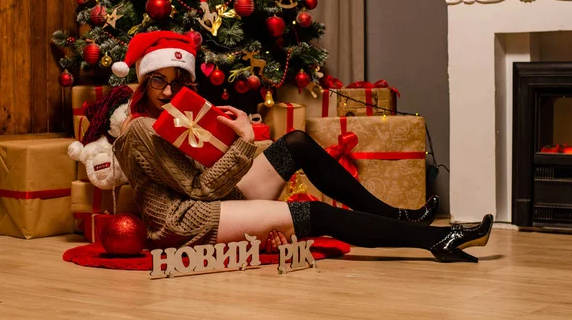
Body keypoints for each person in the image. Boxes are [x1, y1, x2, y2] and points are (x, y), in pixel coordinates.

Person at [112, 31, 493, 263]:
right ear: (143, 82)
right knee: (311, 214)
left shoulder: (175, 116)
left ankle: (400, 217)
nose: (167, 91)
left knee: (294, 143)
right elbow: (200, 189)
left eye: (177, 83)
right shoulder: (140, 129)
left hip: (215, 198)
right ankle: (436, 240)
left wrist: (237, 134)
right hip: (185, 220)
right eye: (157, 80)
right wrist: (245, 141)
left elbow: (206, 176)